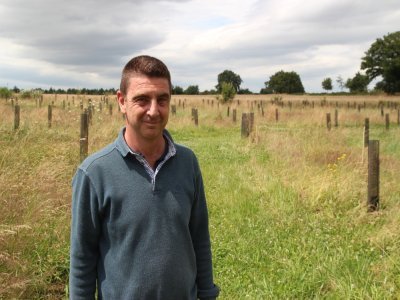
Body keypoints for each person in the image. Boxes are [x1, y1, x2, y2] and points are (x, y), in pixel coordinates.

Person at [69, 55, 220, 299]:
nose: (154, 110)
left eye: (162, 99)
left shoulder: (188, 163)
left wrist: (207, 293)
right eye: (142, 99)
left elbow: (199, 238)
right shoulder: (94, 173)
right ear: (121, 101)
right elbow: (82, 259)